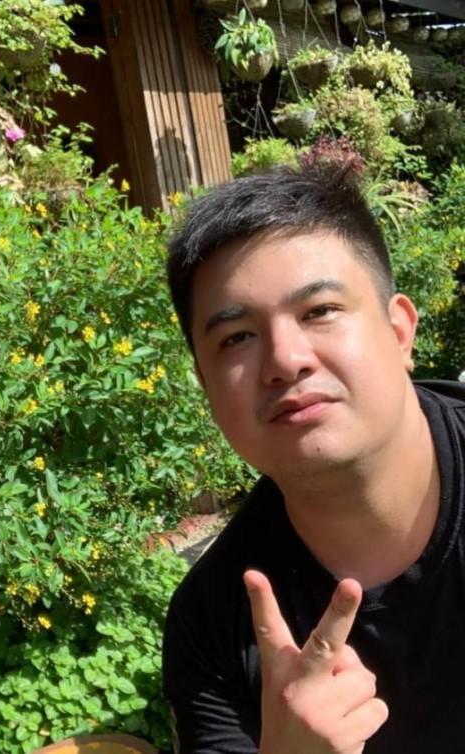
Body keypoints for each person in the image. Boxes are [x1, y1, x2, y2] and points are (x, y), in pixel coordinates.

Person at [162, 166, 465, 754]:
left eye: (319, 310)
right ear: (205, 384)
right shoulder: (214, 623)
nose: (285, 360)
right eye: (237, 337)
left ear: (399, 331)